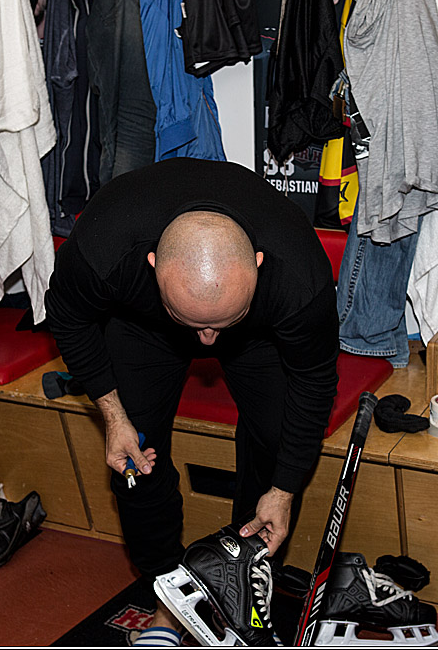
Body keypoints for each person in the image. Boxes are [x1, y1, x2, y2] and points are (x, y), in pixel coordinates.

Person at [45, 157, 339, 645]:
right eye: (195, 322)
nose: (206, 341)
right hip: (145, 325)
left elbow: (313, 382)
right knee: (134, 461)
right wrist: (112, 416)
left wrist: (285, 490)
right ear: (153, 263)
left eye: (218, 324)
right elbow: (68, 318)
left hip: (256, 336)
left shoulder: (297, 273)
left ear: (258, 265)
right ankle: (169, 597)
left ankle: (242, 573)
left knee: (275, 435)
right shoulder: (107, 243)